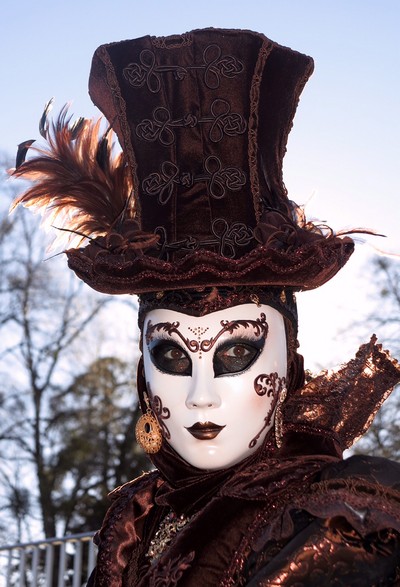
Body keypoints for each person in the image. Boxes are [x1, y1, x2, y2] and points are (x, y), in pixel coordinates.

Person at [11, 28, 400, 585]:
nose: (200, 394)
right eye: (170, 355)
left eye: (236, 350)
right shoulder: (138, 522)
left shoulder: (345, 518)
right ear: (142, 369)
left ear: (287, 361)